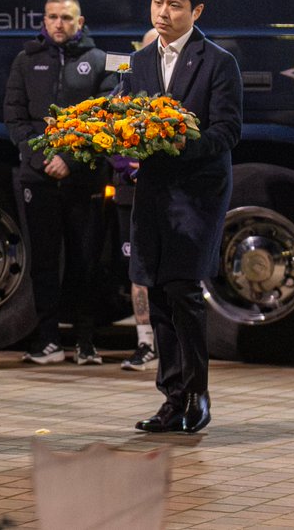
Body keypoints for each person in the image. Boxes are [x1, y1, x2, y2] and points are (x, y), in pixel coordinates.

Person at [125, 0, 242, 434]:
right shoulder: (138, 61)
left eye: (175, 4)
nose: (164, 12)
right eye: (158, 1)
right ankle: (171, 399)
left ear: (196, 10)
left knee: (183, 290)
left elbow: (228, 131)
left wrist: (182, 144)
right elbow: (128, 117)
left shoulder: (219, 61)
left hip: (197, 191)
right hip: (153, 189)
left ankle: (197, 394)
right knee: (156, 290)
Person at [4, 0, 114, 365]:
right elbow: (15, 118)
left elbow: (106, 118)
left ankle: (86, 342)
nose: (59, 24)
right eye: (52, 17)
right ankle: (48, 340)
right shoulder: (25, 61)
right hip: (37, 179)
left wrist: (70, 160)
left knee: (86, 260)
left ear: (80, 22)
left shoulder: (99, 62)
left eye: (67, 18)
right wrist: (43, 158)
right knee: (44, 262)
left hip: (84, 180)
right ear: (44, 21)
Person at [117, 28, 160, 373]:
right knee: (138, 269)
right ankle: (145, 342)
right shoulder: (125, 86)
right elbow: (106, 129)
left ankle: (168, 338)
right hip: (130, 191)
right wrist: (129, 166)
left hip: (168, 190)